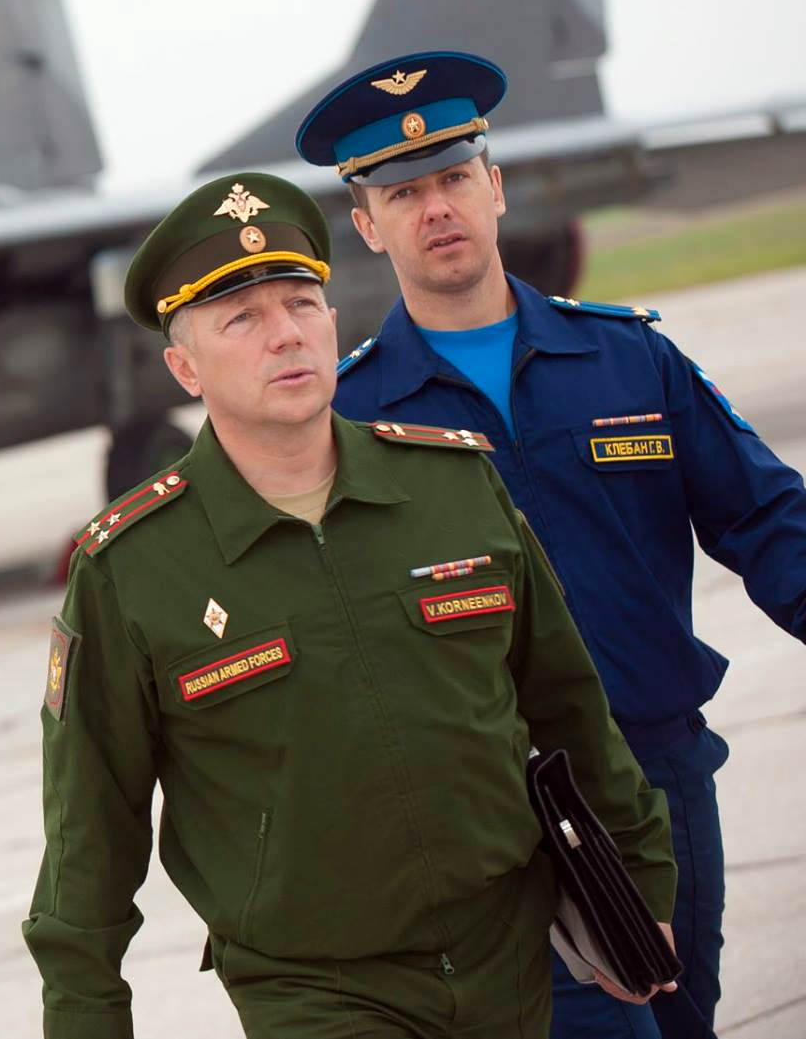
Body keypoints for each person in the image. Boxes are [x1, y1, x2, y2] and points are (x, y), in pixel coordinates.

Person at [24, 171, 678, 1038]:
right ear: (184, 367)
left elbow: (567, 703)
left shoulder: (452, 483)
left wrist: (640, 879)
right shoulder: (132, 567)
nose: (286, 335)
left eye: (302, 304)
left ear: (333, 321)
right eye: (241, 319)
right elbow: (90, 831)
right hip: (313, 987)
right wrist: (85, 1016)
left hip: (511, 953)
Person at [302, 51, 806, 1039]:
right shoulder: (348, 420)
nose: (435, 208)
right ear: (366, 226)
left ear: (493, 187)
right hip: (483, 817)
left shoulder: (627, 357)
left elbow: (766, 519)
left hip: (655, 773)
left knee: (682, 1022)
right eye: (402, 193)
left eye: (453, 178)